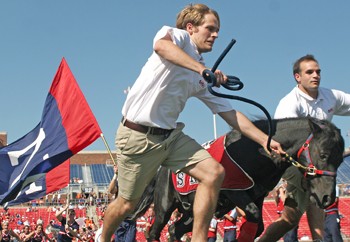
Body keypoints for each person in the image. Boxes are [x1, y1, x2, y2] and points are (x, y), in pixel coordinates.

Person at [100, 4, 284, 242]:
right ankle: (101, 238)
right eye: (210, 28)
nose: (216, 35)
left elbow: (230, 114)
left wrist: (265, 140)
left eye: (217, 30)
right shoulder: (176, 37)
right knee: (126, 204)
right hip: (138, 137)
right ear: (190, 28)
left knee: (214, 173)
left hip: (170, 137)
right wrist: (203, 69)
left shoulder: (201, 75)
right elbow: (161, 46)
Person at [259, 54, 350, 241]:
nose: (315, 75)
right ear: (297, 77)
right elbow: (281, 144)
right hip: (290, 162)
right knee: (315, 185)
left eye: (318, 71)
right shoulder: (289, 104)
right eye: (309, 72)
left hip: (315, 161)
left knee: (289, 219)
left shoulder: (331, 96)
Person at [107, 165, 136, 242]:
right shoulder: (119, 183)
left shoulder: (134, 183)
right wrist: (115, 175)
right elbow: (111, 190)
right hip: (119, 219)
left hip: (130, 218)